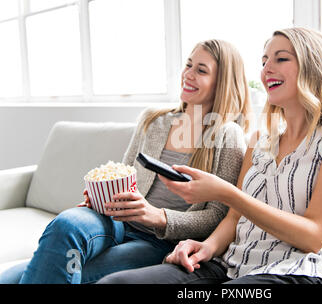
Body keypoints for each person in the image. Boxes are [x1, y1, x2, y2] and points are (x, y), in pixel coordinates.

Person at [97, 27, 322, 285]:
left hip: (298, 271)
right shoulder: (260, 140)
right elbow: (234, 220)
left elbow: (314, 236)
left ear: (313, 68)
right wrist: (205, 247)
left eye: (281, 59)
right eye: (264, 61)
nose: (266, 68)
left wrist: (227, 193)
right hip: (230, 266)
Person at [0, 39, 252, 284]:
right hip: (117, 223)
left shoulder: (227, 135)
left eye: (201, 70)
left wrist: (158, 217)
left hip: (160, 242)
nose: (189, 74)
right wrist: (102, 197)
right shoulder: (154, 120)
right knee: (67, 222)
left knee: (15, 278)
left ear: (222, 82)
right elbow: (124, 175)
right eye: (188, 65)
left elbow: (218, 216)